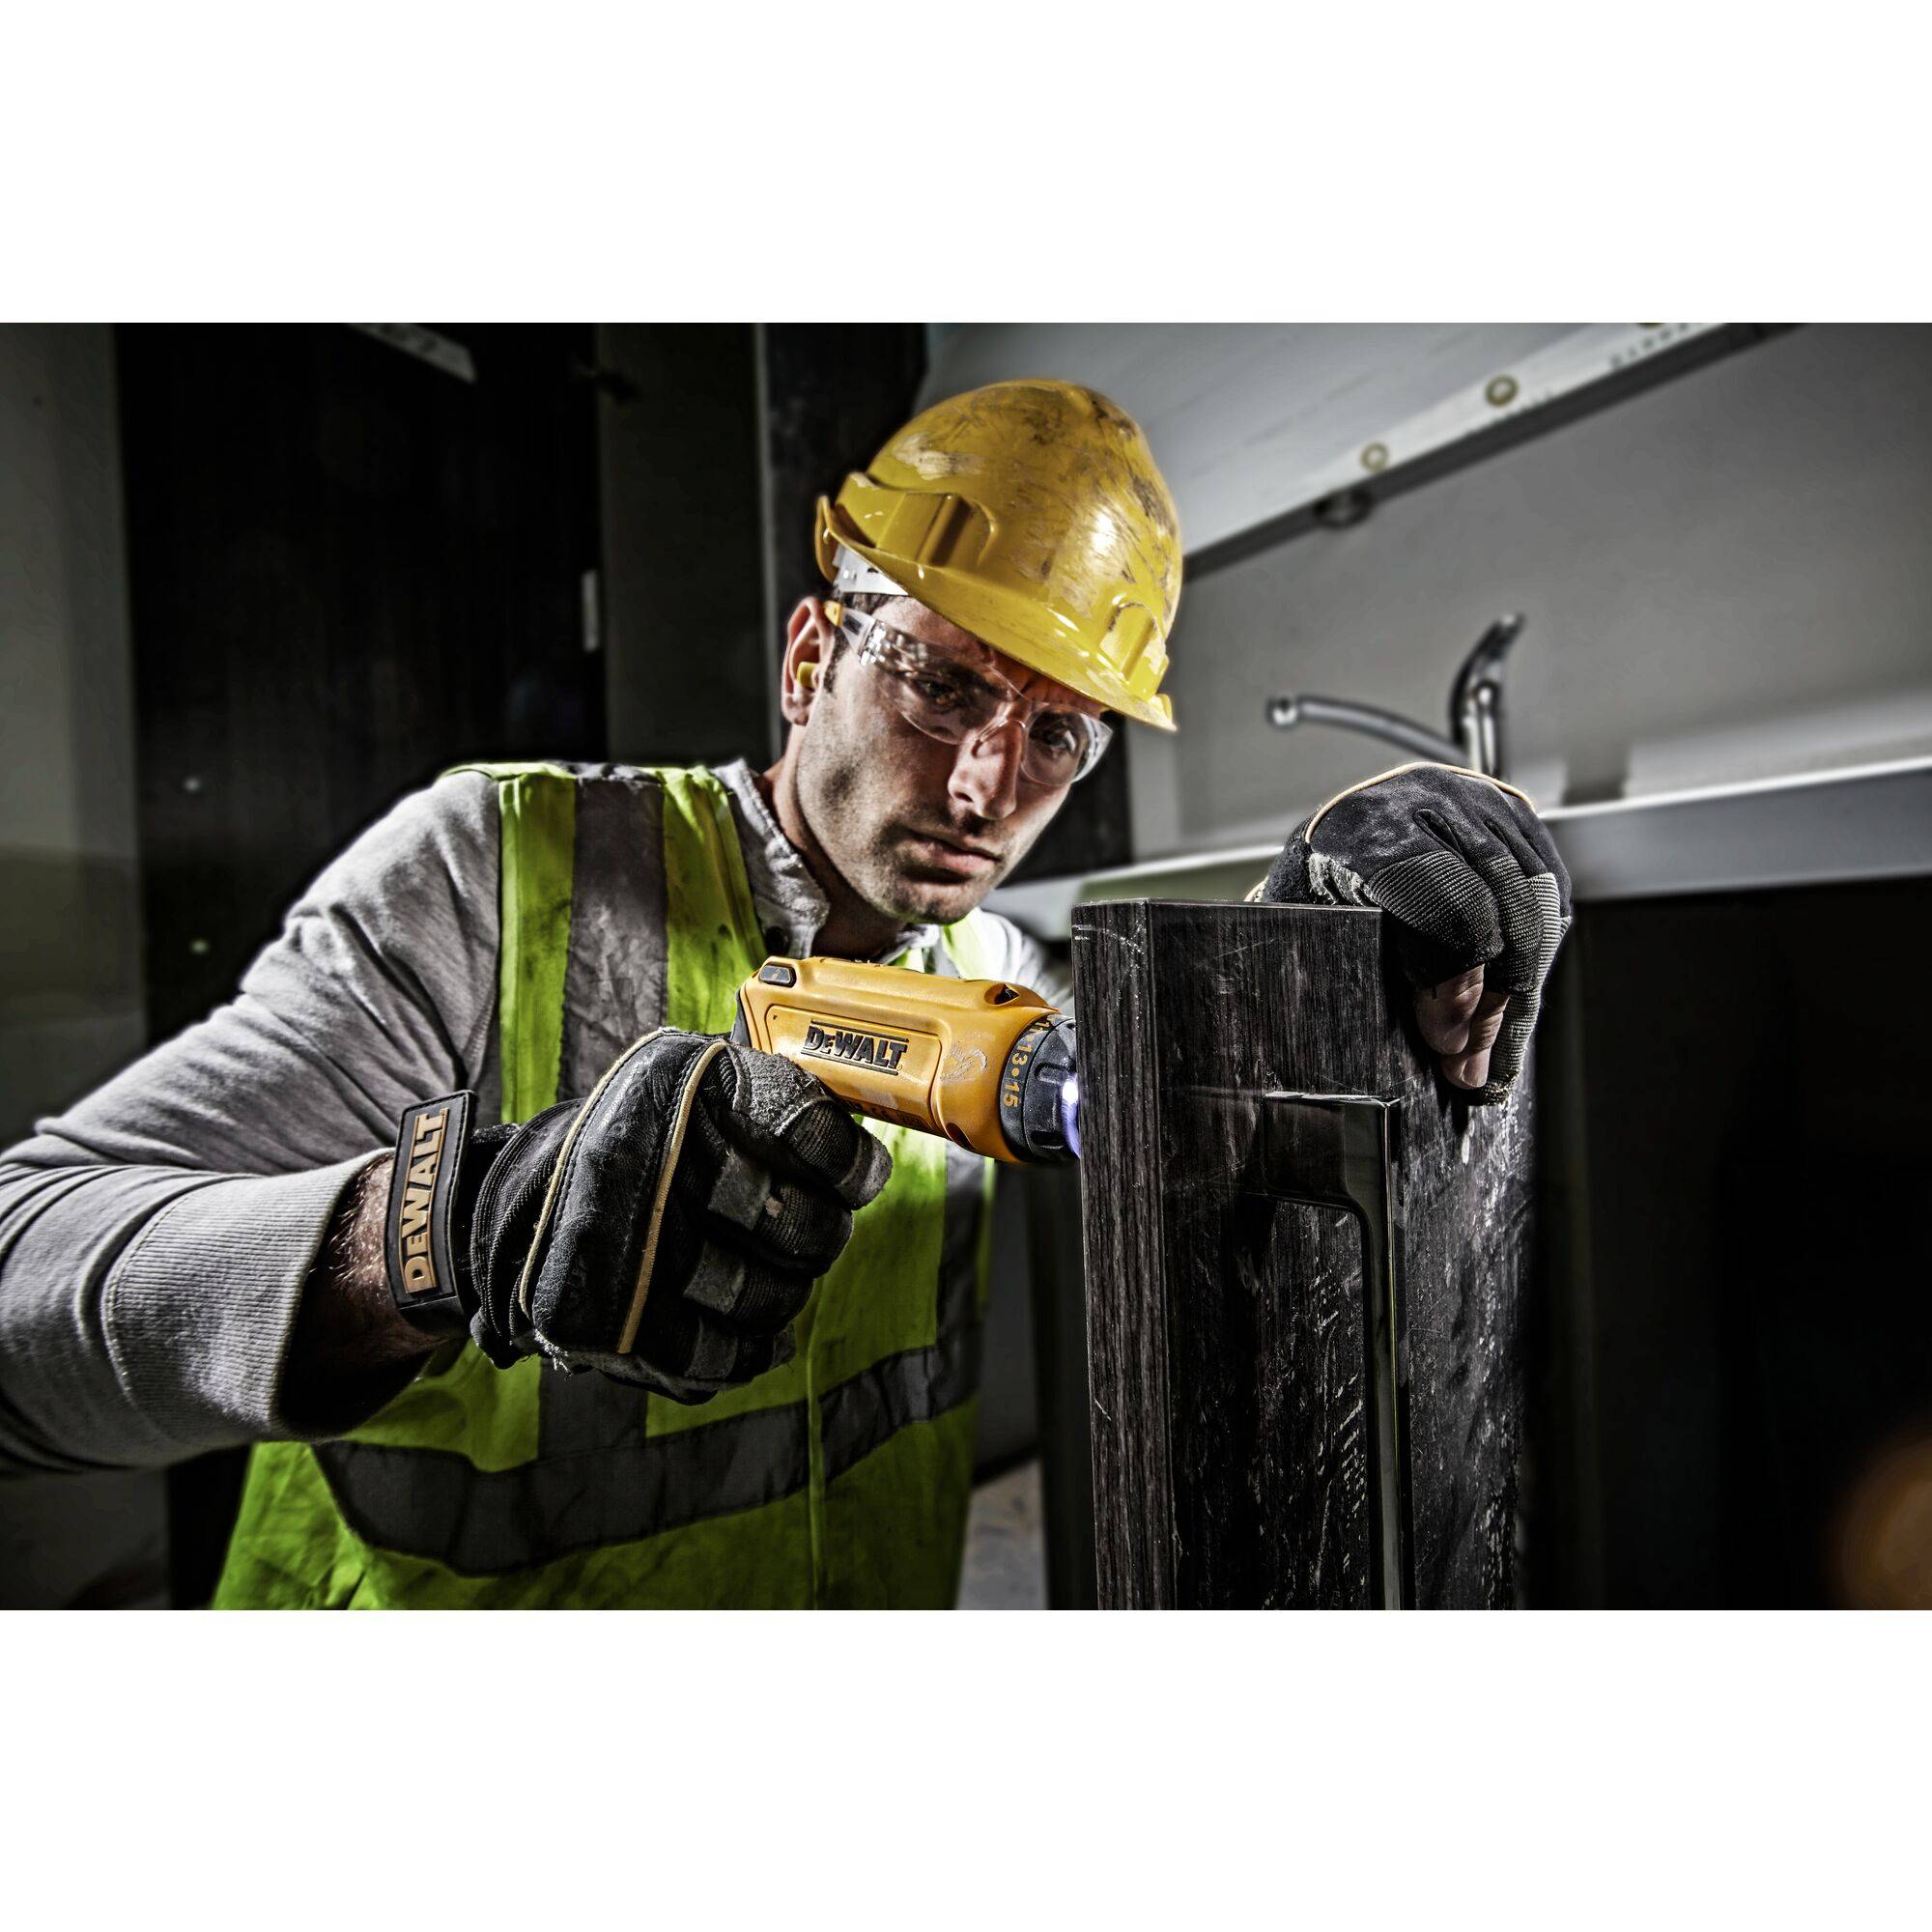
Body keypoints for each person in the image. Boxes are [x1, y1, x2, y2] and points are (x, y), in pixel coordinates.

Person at [0, 379, 1570, 1607]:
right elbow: (24, 1276)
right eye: (941, 680)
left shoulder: (989, 971)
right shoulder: (494, 870)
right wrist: (437, 1236)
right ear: (813, 655)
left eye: (1053, 734)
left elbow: (1152, 1095)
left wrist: (1318, 977)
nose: (981, 781)